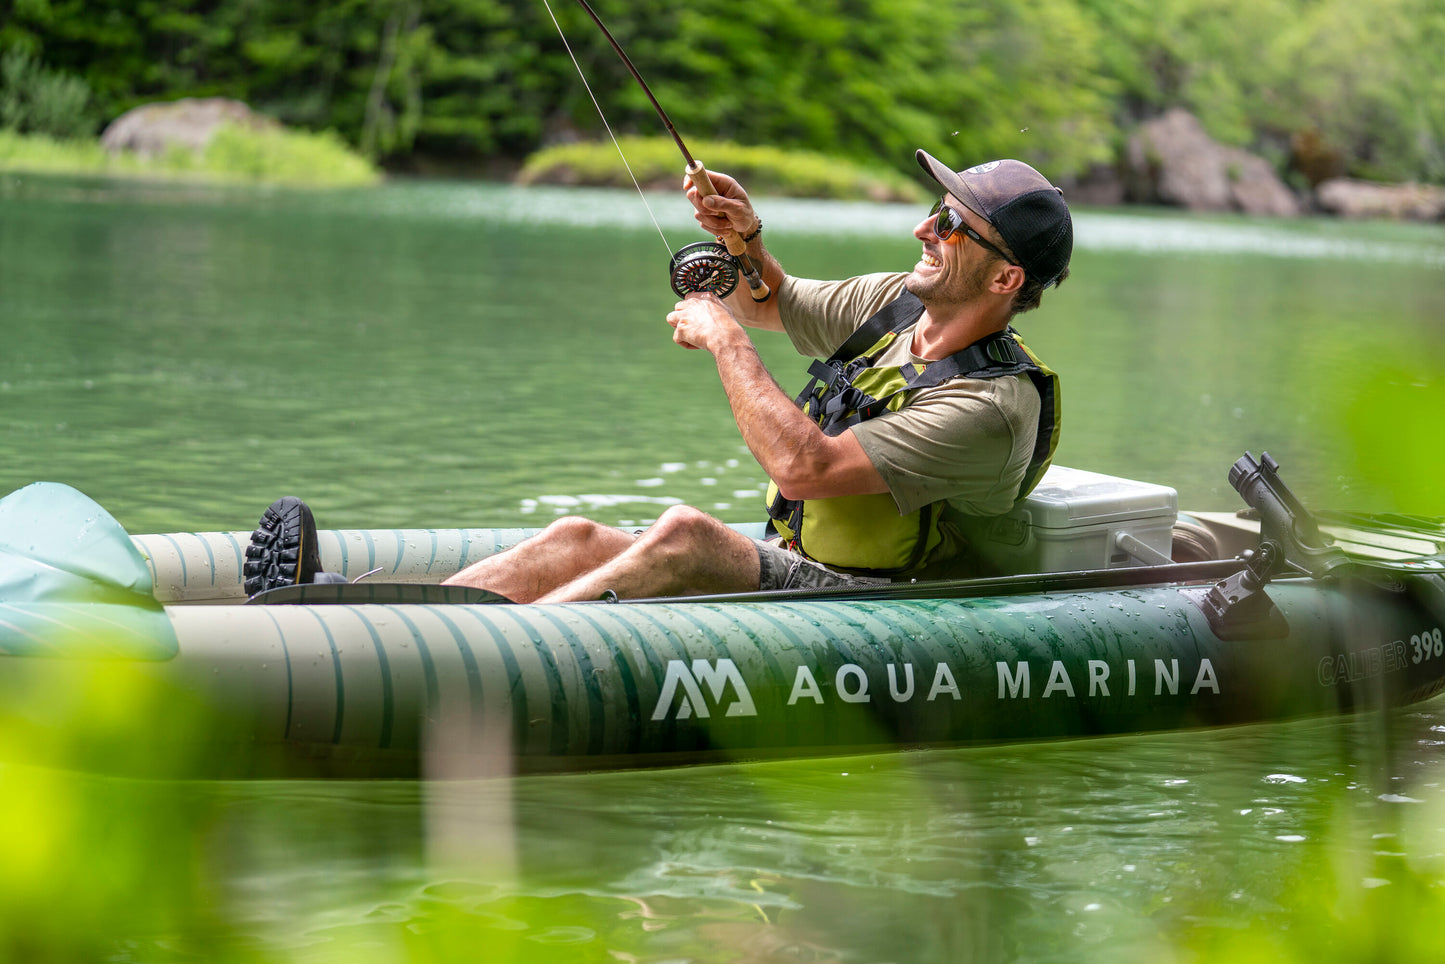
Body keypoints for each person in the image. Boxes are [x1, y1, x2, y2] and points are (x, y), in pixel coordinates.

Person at [243, 151, 1071, 601]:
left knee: (683, 534)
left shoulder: (994, 406)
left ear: (1004, 280)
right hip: (802, 559)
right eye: (937, 211)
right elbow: (772, 302)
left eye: (954, 225)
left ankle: (468, 660)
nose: (924, 226)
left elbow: (803, 469)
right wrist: (743, 239)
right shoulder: (895, 300)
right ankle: (356, 615)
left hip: (881, 602)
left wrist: (720, 340)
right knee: (572, 535)